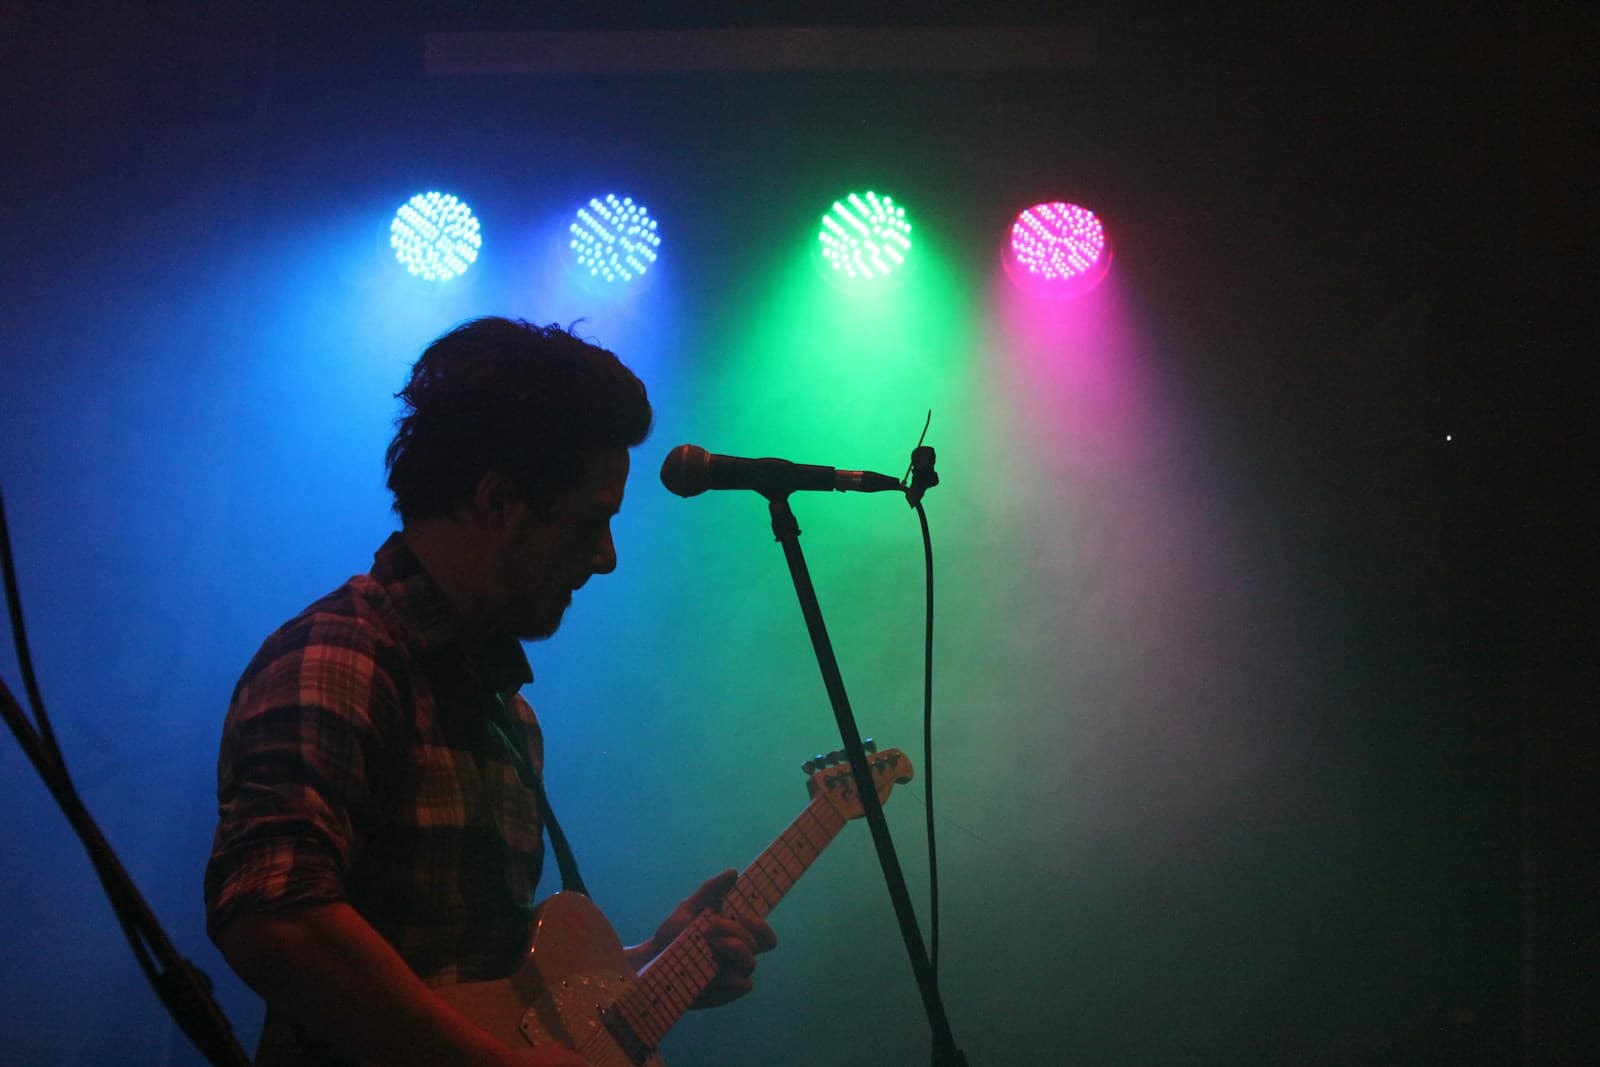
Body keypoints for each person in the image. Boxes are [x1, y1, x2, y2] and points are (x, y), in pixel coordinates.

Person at [204, 317, 776, 1066]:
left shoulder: (510, 718)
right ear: (499, 501)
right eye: (593, 521)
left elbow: (493, 995)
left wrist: (647, 969)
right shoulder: (339, 658)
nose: (606, 558)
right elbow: (274, 916)